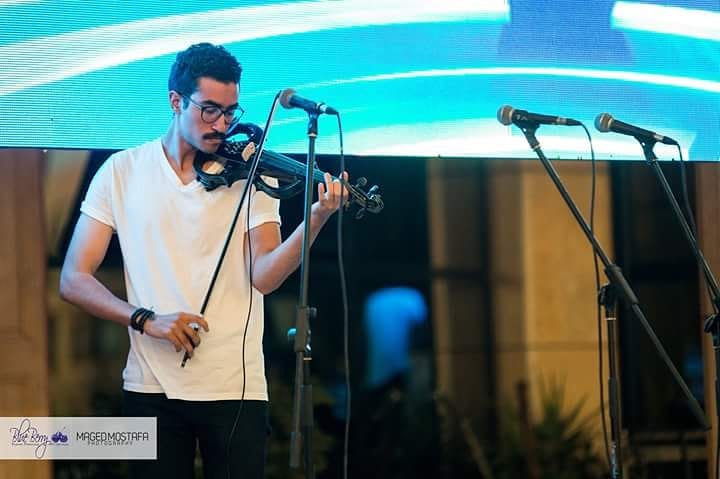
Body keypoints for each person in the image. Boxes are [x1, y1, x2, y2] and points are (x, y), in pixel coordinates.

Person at [59, 42, 347, 479]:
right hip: (148, 389)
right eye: (209, 110)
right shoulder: (120, 172)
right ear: (176, 101)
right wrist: (145, 320)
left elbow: (265, 277)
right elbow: (73, 279)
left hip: (236, 390)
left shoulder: (250, 175)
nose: (222, 125)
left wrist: (317, 217)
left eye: (230, 112)